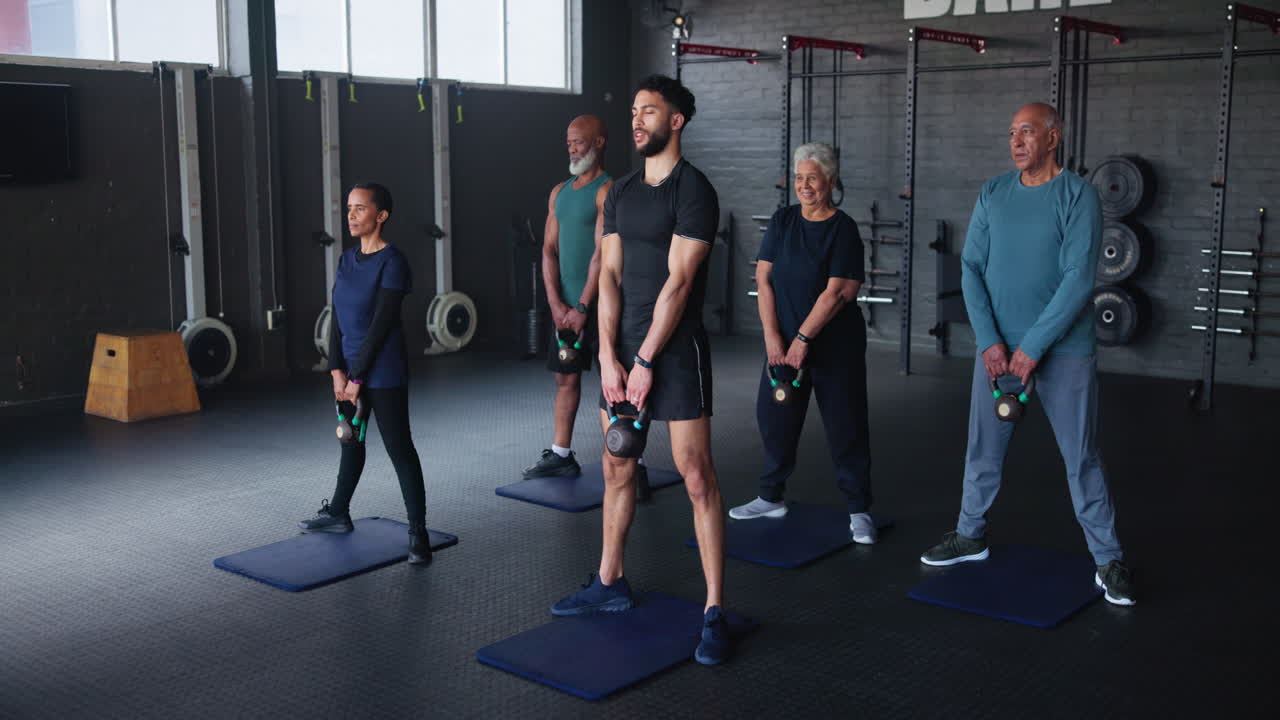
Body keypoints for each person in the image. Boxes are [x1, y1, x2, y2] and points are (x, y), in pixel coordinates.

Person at [918, 103, 1135, 606]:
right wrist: (991, 342)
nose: (1016, 141)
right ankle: (969, 536)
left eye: (1028, 132)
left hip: (1064, 351)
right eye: (1012, 132)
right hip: (998, 353)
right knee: (982, 450)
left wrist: (1031, 348)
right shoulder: (993, 192)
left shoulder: (1077, 195)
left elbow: (1078, 279)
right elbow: (970, 267)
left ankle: (1109, 561)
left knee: (1081, 457)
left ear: (1053, 138)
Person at [549, 75, 729, 664]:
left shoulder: (694, 191)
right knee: (616, 465)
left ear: (675, 121)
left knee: (695, 474)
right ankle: (609, 582)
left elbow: (679, 283)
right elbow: (609, 277)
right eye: (633, 110)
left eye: (648, 111)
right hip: (622, 348)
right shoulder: (622, 191)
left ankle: (714, 610)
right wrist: (607, 355)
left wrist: (647, 358)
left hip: (675, 352)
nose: (637, 119)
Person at [728, 142, 875, 543]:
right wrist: (774, 339)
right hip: (784, 345)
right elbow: (763, 280)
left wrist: (802, 339)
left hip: (834, 346)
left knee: (845, 426)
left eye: (813, 178)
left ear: (830, 181)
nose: (804, 186)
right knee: (775, 418)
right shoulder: (782, 221)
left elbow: (837, 292)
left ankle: (859, 509)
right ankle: (770, 496)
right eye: (799, 178)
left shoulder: (842, 228)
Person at [298, 183, 433, 566]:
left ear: (381, 216)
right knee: (350, 440)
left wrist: (356, 379)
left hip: (383, 371)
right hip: (350, 374)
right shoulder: (346, 260)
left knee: (399, 448)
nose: (352, 215)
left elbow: (380, 325)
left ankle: (417, 533)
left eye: (360, 209)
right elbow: (337, 317)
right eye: (349, 209)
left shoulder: (394, 262)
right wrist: (336, 371)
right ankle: (338, 512)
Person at [523, 116, 638, 487]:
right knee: (564, 378)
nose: (572, 149)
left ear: (599, 143)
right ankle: (560, 454)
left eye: (579, 142)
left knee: (616, 385)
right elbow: (548, 251)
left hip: (601, 306)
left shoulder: (609, 191)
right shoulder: (560, 192)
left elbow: (603, 254)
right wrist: (556, 305)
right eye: (569, 142)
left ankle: (632, 461)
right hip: (565, 309)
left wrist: (584, 307)